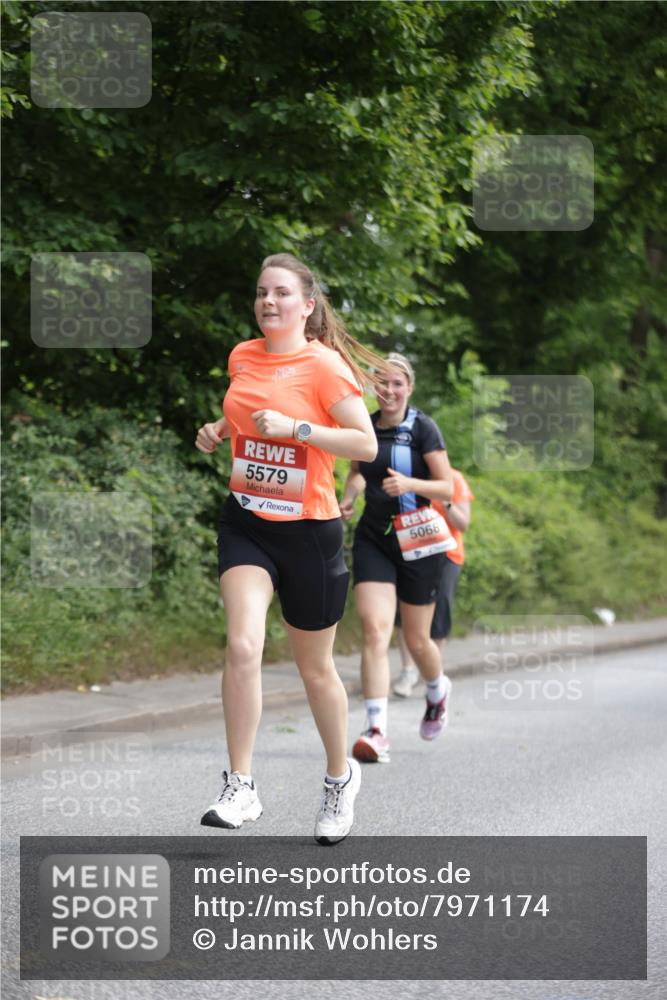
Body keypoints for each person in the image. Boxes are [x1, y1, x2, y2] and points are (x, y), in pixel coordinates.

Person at [195, 252, 382, 844]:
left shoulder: (325, 367)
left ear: (307, 305)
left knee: (314, 668)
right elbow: (246, 411)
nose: (268, 302)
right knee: (243, 643)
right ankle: (240, 785)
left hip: (310, 531)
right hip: (247, 522)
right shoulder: (243, 355)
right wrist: (220, 429)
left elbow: (366, 445)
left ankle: (338, 778)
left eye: (280, 293)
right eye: (261, 293)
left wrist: (299, 430)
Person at [339, 354, 454, 764]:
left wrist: (410, 482)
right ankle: (376, 729)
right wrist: (349, 497)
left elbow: (446, 487)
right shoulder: (364, 425)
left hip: (419, 536)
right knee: (374, 629)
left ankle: (437, 689)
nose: (388, 391)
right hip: (374, 536)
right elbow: (356, 471)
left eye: (396, 384)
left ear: (410, 388)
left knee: (416, 639)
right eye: (381, 383)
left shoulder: (423, 428)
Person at [393, 468, 474, 697]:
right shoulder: (407, 474)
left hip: (448, 553)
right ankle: (408, 671)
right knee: (405, 611)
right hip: (414, 548)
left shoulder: (454, 478)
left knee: (439, 611)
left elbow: (463, 524)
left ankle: (433, 675)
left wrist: (446, 503)